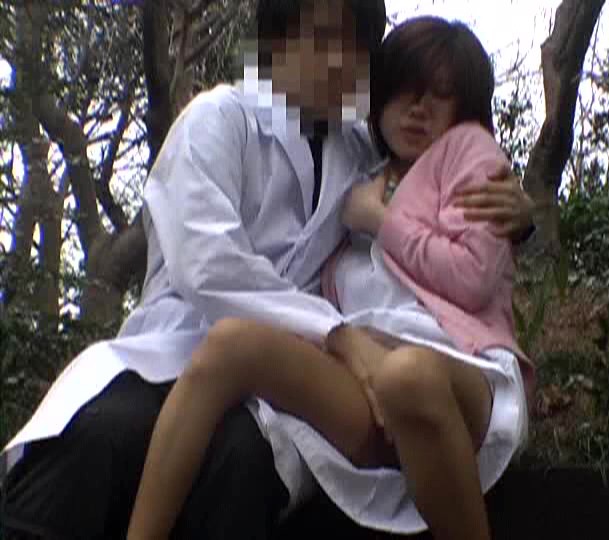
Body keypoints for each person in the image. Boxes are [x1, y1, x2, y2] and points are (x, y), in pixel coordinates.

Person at [0, 1, 534, 538]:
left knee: (244, 460)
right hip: (174, 350)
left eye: (357, 49)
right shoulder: (217, 118)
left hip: (282, 384)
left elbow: (433, 191)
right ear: (276, 41)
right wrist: (337, 333)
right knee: (99, 438)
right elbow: (208, 264)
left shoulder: (359, 150)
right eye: (322, 40)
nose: (341, 62)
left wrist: (521, 215)